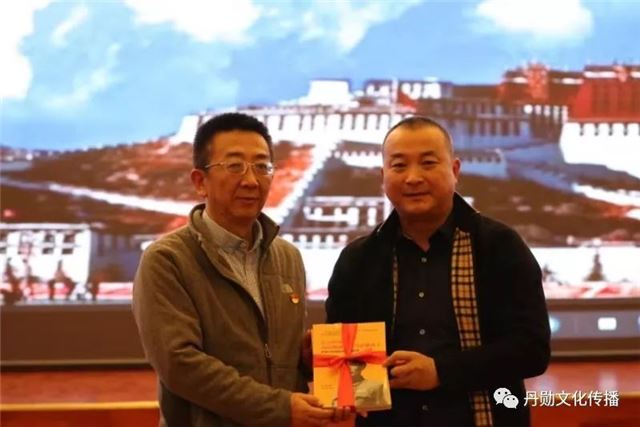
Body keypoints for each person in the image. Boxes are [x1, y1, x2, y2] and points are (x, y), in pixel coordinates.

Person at [325, 116, 550, 426]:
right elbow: (346, 367)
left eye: (428, 163)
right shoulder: (359, 258)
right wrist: (341, 381)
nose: (413, 178)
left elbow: (532, 350)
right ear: (383, 176)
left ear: (455, 170)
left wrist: (440, 371)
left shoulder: (498, 246)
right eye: (399, 166)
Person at [133, 113, 342, 427]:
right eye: (234, 166)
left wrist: (305, 358)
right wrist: (279, 408)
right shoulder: (167, 259)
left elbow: (268, 358)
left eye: (262, 166)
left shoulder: (287, 257)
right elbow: (180, 365)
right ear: (200, 182)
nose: (251, 180)